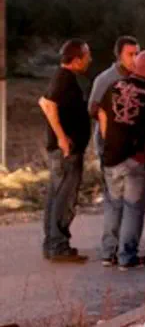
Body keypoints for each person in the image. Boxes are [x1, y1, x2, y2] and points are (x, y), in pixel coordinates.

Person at [97, 51, 145, 270]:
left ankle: (108, 253)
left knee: (113, 206)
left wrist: (108, 141)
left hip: (111, 156)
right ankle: (127, 256)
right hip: (136, 158)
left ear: (134, 67)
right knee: (133, 208)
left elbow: (101, 114)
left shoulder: (114, 86)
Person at [38, 39, 93, 263]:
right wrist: (62, 139)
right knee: (64, 198)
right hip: (66, 152)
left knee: (56, 195)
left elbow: (44, 101)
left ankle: (53, 242)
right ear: (77, 58)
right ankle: (58, 245)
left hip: (65, 150)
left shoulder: (63, 78)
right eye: (87, 55)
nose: (90, 59)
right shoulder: (64, 79)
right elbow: (47, 104)